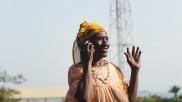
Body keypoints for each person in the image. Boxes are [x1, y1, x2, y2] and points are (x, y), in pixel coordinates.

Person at [65, 21, 142, 102]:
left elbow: (130, 99)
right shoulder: (77, 70)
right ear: (86, 44)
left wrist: (135, 70)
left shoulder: (115, 69)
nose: (106, 44)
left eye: (106, 39)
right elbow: (85, 98)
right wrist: (87, 63)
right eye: (100, 39)